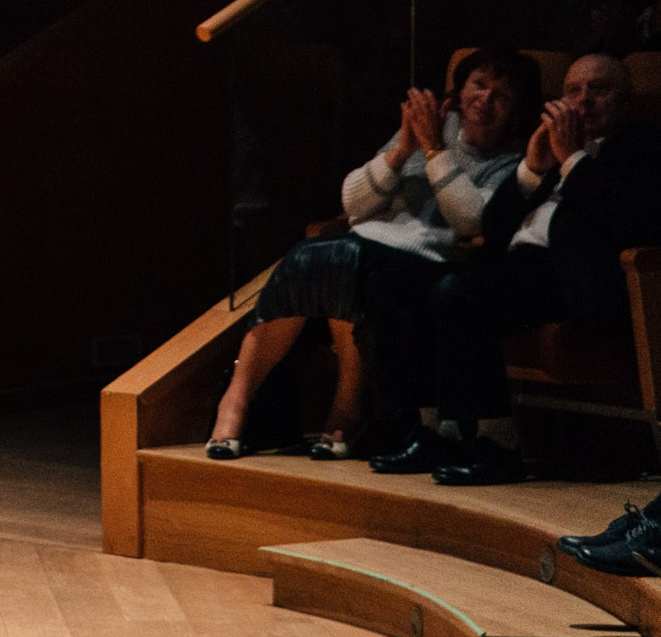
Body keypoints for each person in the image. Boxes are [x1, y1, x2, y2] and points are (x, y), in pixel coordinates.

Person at [203, 49, 537, 462]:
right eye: (479, 85)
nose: (484, 100)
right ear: (460, 90)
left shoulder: (513, 160)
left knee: (344, 268)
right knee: (305, 259)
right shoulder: (432, 127)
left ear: (517, 111)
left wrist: (433, 151)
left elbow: (470, 220)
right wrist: (401, 152)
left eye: (501, 95)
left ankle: (344, 410)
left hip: (430, 261)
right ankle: (238, 402)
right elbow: (353, 202)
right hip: (367, 244)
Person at [410, 54, 661, 486]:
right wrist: (531, 169)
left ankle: (495, 444)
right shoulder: (547, 144)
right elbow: (492, 226)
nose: (583, 101)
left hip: (581, 279)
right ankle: (443, 432)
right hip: (521, 265)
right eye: (572, 91)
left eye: (599, 90)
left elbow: (632, 222)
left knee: (461, 293)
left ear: (627, 102)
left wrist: (574, 161)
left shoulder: (645, 148)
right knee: (429, 282)